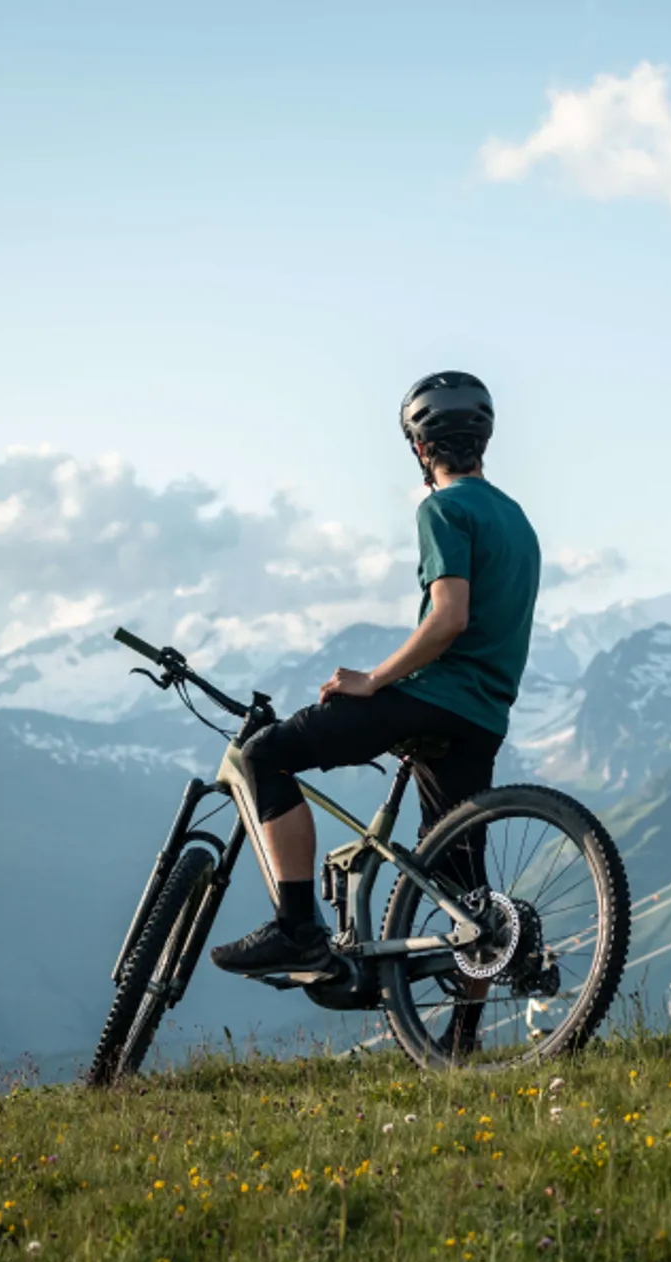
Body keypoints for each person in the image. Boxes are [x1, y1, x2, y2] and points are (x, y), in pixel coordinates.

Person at [208, 371, 541, 975]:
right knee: (465, 897)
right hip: (486, 714)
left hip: (434, 697)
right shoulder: (517, 519)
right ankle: (462, 1040)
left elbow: (449, 618)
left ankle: (297, 928)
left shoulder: (443, 509)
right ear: (485, 441)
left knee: (265, 756)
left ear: (419, 449)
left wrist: (374, 680)